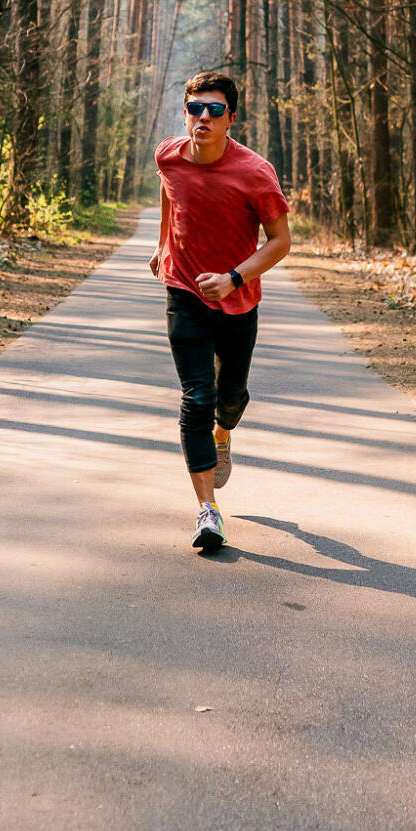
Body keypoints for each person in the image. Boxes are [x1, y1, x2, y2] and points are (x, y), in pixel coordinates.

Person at [150, 70, 291, 552]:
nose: (203, 118)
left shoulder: (254, 172)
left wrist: (234, 277)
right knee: (196, 397)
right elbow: (170, 197)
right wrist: (161, 246)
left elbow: (280, 241)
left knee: (230, 398)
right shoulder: (169, 155)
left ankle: (224, 433)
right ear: (185, 113)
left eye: (214, 110)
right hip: (183, 289)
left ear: (231, 117)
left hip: (237, 299)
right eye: (195, 109)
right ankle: (207, 510)